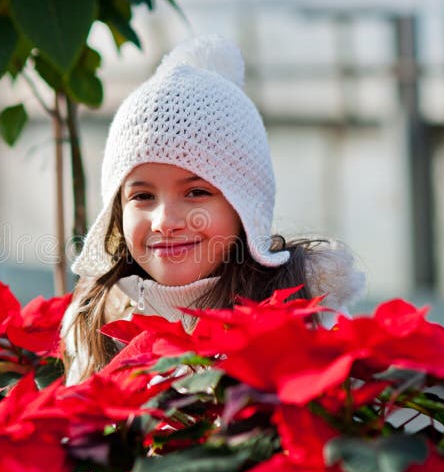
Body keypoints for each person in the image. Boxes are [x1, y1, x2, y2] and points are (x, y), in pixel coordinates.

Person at [60, 35, 365, 385]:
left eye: (196, 192)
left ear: (246, 207)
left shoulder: (311, 320)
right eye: (142, 196)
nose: (165, 221)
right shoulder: (100, 327)